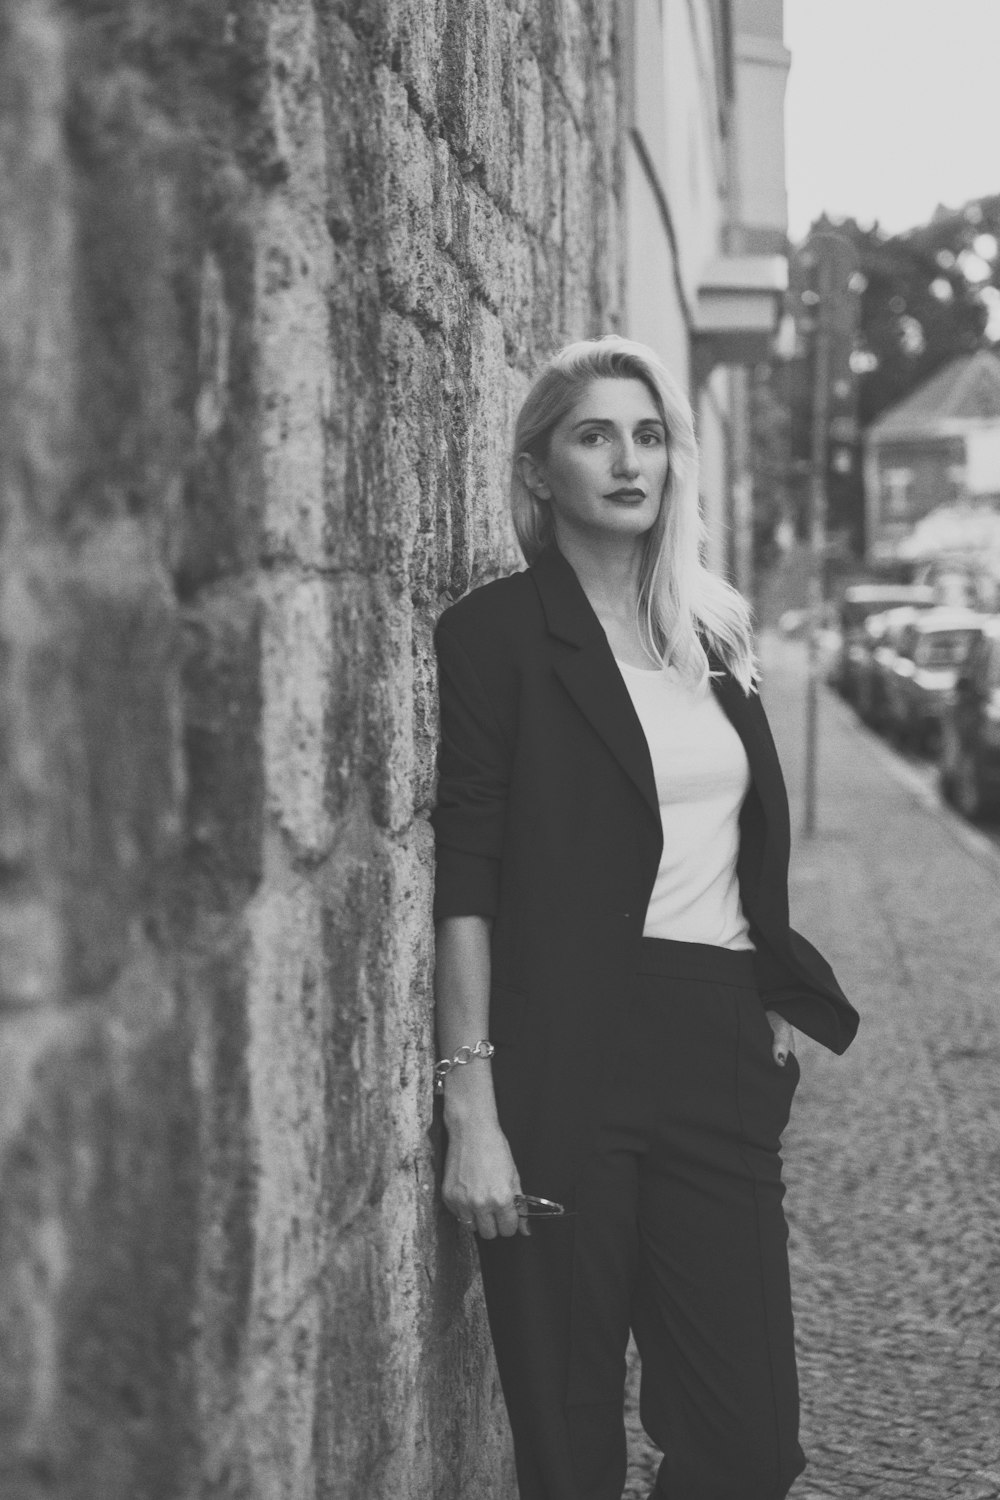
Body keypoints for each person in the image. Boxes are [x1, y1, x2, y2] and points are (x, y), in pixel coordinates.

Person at [431, 335, 859, 1500]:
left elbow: (743, 833)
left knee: (750, 1444)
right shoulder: (493, 638)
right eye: (593, 434)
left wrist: (766, 988)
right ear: (539, 470)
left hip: (714, 1049)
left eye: (649, 433)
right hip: (563, 1059)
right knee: (569, 1446)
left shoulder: (713, 636)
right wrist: (472, 1106)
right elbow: (465, 876)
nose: (629, 459)